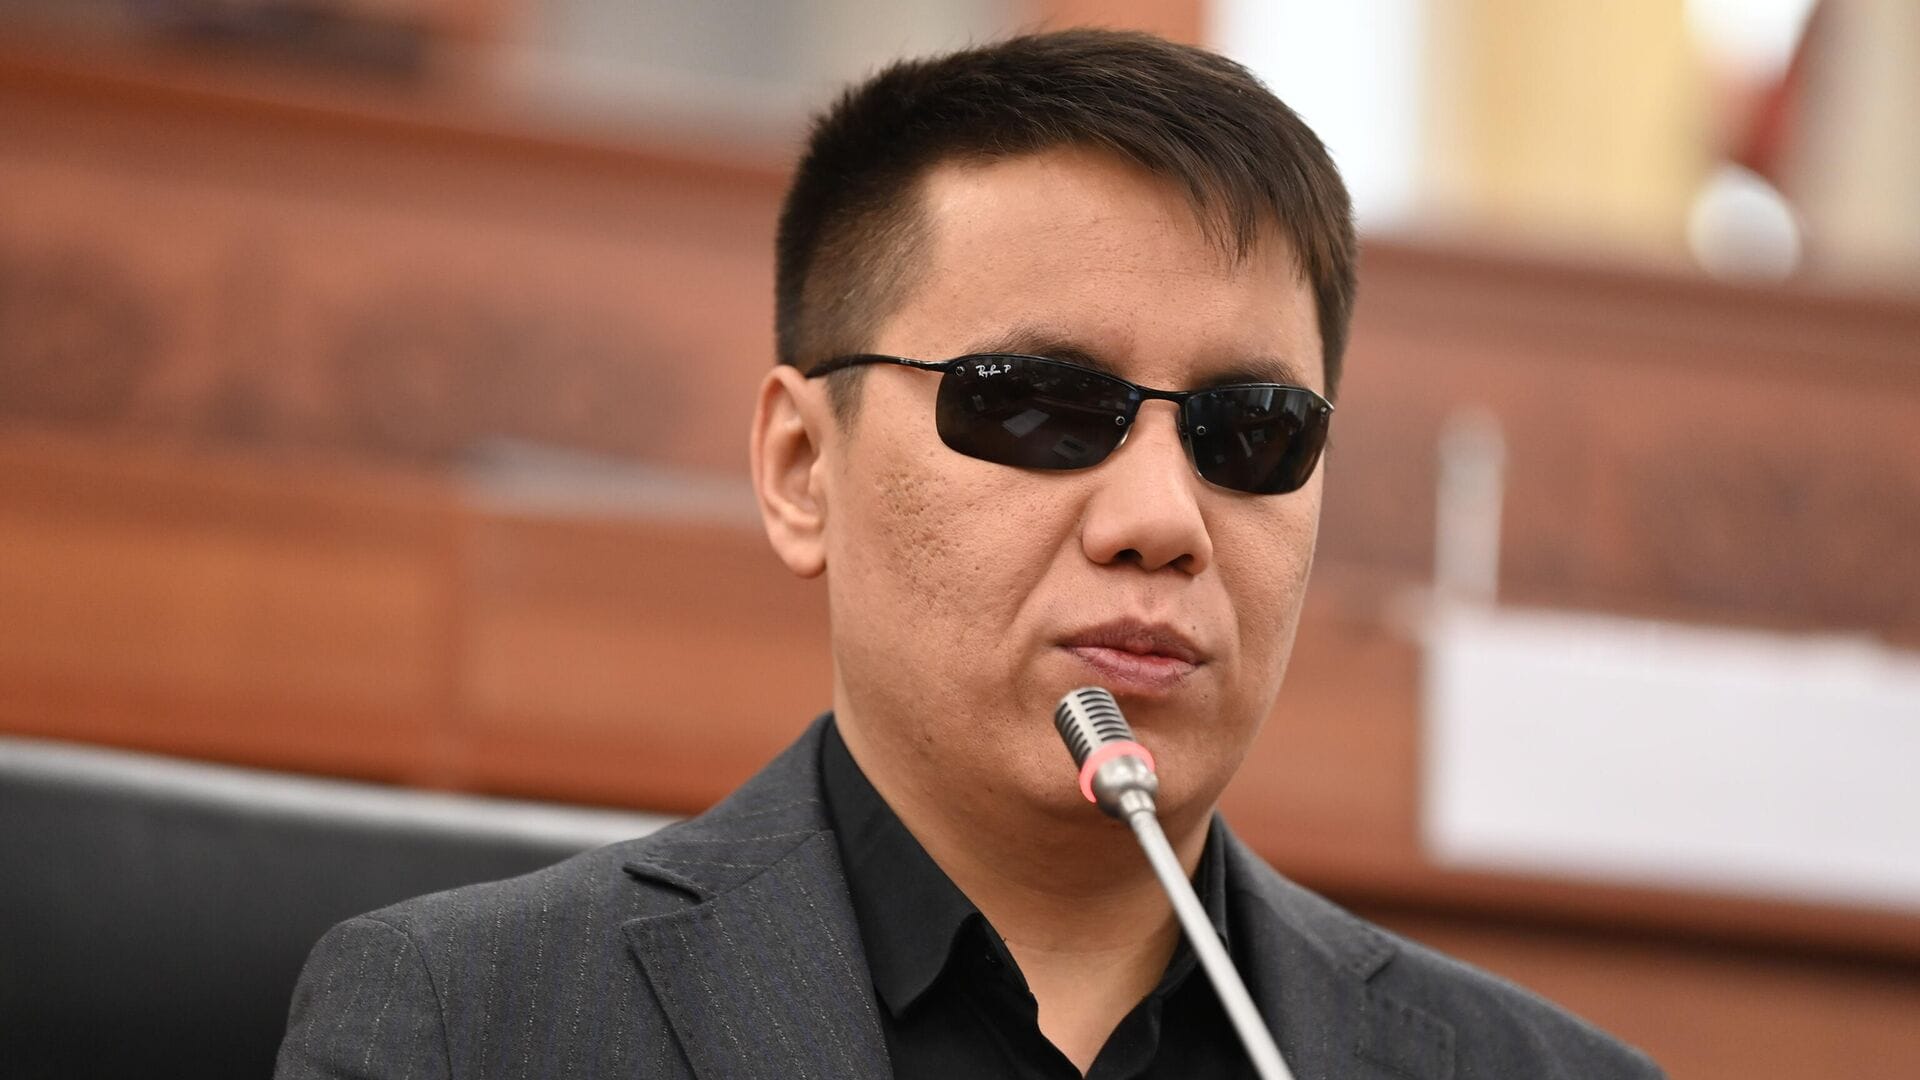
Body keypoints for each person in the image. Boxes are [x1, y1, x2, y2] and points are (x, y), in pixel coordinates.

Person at [276, 29, 1663, 1079]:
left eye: (1251, 433)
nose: (1163, 520)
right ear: (802, 469)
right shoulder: (466, 1025)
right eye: (1040, 406)